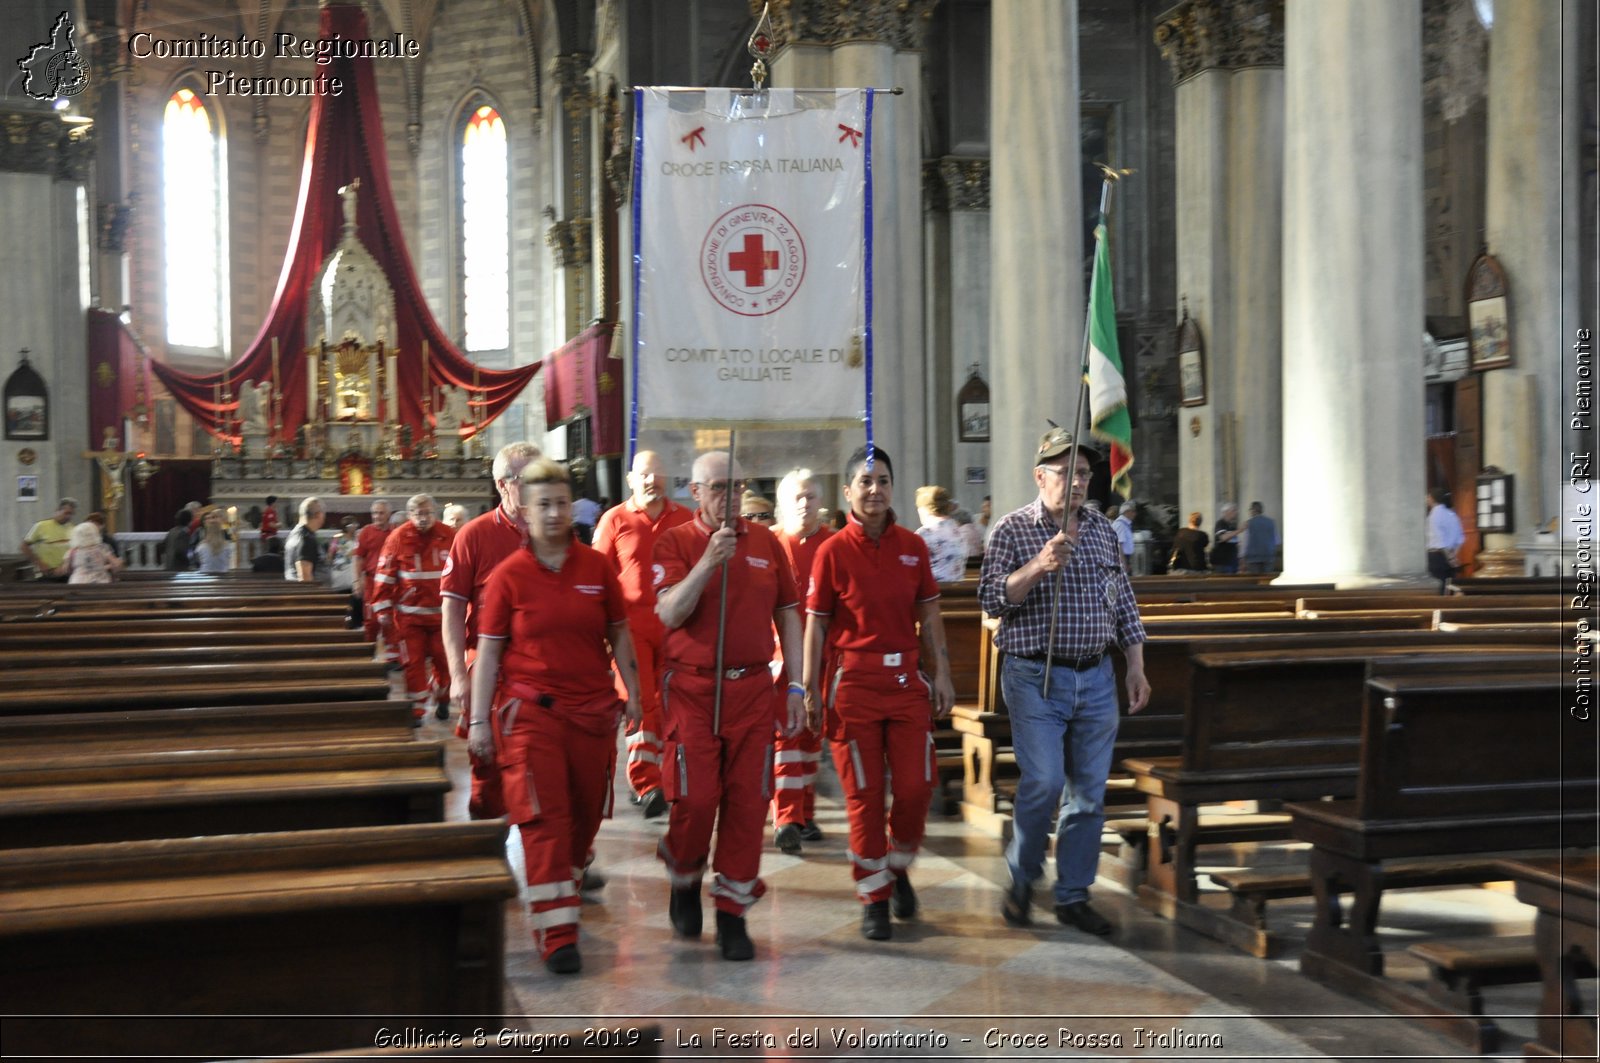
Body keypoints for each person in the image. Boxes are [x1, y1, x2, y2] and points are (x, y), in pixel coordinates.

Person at [465, 458, 641, 976]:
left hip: (592, 715)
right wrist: (479, 722)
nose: (553, 513)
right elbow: (490, 655)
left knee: (584, 820)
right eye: (542, 504)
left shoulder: (596, 567)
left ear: (572, 508)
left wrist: (636, 694)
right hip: (531, 716)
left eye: (561, 503)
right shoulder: (508, 577)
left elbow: (621, 634)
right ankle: (556, 932)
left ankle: (561, 895)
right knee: (545, 820)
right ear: (524, 508)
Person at [979, 428, 1149, 936]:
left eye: (1082, 473)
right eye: (1065, 472)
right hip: (1035, 675)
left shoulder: (1100, 530)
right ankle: (1023, 876)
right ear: (1040, 476)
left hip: (1096, 675)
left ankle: (1074, 893)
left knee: (1089, 794)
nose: (1076, 482)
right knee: (1045, 783)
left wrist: (1135, 664)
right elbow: (991, 600)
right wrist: (1038, 566)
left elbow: (1123, 602)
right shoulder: (1011, 530)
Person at [654, 450, 806, 962]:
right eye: (718, 487)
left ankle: (733, 912)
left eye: (737, 486)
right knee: (696, 799)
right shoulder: (674, 541)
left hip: (753, 688)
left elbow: (789, 615)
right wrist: (707, 562)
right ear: (694, 493)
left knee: (748, 802)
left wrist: (796, 686)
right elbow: (670, 612)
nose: (729, 496)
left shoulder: (766, 543)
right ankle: (684, 873)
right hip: (693, 689)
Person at [803, 446, 956, 941]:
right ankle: (874, 896)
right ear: (848, 491)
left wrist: (944, 674)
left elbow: (930, 615)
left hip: (906, 683)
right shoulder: (831, 551)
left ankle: (897, 864)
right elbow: (816, 625)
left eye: (883, 480)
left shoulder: (913, 546)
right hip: (855, 688)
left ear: (893, 488)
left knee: (915, 788)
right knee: (864, 797)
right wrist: (808, 688)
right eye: (865, 482)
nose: (875, 490)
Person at [441, 441, 542, 820]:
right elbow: (451, 608)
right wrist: (456, 675)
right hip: (489, 672)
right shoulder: (474, 535)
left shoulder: (553, 531)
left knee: (548, 763)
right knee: (488, 767)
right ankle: (489, 851)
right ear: (502, 485)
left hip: (544, 670)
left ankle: (562, 857)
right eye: (527, 479)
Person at [592, 450, 694, 819]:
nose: (652, 481)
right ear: (631, 479)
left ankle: (668, 777)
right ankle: (645, 782)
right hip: (630, 629)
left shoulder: (685, 519)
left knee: (672, 703)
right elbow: (597, 576)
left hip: (676, 626)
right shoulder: (613, 520)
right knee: (639, 702)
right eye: (645, 475)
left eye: (658, 474)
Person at [770, 467, 833, 854]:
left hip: (824, 658)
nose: (804, 503)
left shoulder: (834, 544)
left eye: (810, 496)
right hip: (782, 659)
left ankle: (805, 813)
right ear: (782, 503)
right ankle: (787, 818)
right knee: (787, 735)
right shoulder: (770, 543)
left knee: (812, 737)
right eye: (796, 496)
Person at [371, 493, 456, 723]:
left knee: (445, 662)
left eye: (428, 513)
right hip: (409, 618)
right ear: (410, 515)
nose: (424, 518)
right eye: (419, 514)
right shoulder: (398, 537)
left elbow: (464, 571)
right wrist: (382, 609)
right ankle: (417, 709)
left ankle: (443, 698)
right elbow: (384, 575)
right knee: (413, 663)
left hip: (443, 619)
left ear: (435, 514)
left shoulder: (449, 535)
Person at [353, 500, 396, 666]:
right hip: (371, 582)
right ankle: (368, 657)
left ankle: (392, 659)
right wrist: (357, 580)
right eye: (375, 513)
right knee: (371, 621)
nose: (377, 516)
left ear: (389, 514)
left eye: (381, 513)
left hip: (391, 582)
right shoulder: (366, 532)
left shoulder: (395, 532)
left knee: (391, 620)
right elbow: (358, 557)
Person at [914, 484, 969, 583]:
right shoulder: (959, 530)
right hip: (958, 589)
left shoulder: (924, 534)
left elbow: (912, 568)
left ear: (924, 509)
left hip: (933, 593)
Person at [21, 497, 76, 580]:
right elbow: (24, 546)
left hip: (66, 573)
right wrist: (39, 563)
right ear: (57, 510)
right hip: (46, 573)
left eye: (71, 514)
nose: (68, 516)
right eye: (66, 513)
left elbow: (74, 551)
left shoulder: (72, 528)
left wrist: (65, 566)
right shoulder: (41, 526)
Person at [1425, 488, 1466, 593]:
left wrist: (1449, 557)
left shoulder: (1434, 515)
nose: (1427, 499)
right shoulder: (1452, 515)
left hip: (1436, 557)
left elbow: (1440, 542)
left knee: (1438, 589)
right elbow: (1460, 539)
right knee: (1449, 588)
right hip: (1449, 556)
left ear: (1432, 498)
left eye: (1428, 496)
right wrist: (1453, 556)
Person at [64, 520, 123, 584]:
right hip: (100, 583)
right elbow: (116, 565)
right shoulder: (102, 548)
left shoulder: (72, 551)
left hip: (78, 583)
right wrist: (118, 563)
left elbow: (67, 570)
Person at [283, 497, 327, 582]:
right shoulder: (306, 538)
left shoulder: (295, 533)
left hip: (295, 590)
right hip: (310, 592)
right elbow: (304, 576)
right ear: (318, 514)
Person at [1240, 501, 1279, 575]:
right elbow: (1276, 541)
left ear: (1253, 510)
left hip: (1253, 558)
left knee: (1255, 580)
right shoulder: (1271, 522)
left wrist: (1242, 557)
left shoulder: (1248, 523)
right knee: (1266, 580)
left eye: (1250, 510)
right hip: (1268, 556)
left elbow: (1246, 541)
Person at [193, 507, 236, 573]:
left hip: (205, 578)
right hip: (224, 579)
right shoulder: (228, 546)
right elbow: (230, 563)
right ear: (220, 530)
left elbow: (198, 562)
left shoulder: (201, 547)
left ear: (207, 530)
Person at [1210, 502, 1241, 574]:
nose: (1236, 512)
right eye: (1234, 510)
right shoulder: (1220, 523)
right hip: (1222, 562)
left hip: (1232, 561)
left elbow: (1234, 542)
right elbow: (1223, 537)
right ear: (1226, 512)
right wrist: (1240, 530)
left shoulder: (1232, 526)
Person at [1112, 499, 1138, 573]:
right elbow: (1119, 545)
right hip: (1122, 558)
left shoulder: (1125, 524)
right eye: (1133, 511)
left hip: (1126, 557)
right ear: (1127, 512)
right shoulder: (1120, 525)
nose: (1135, 514)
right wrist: (1123, 563)